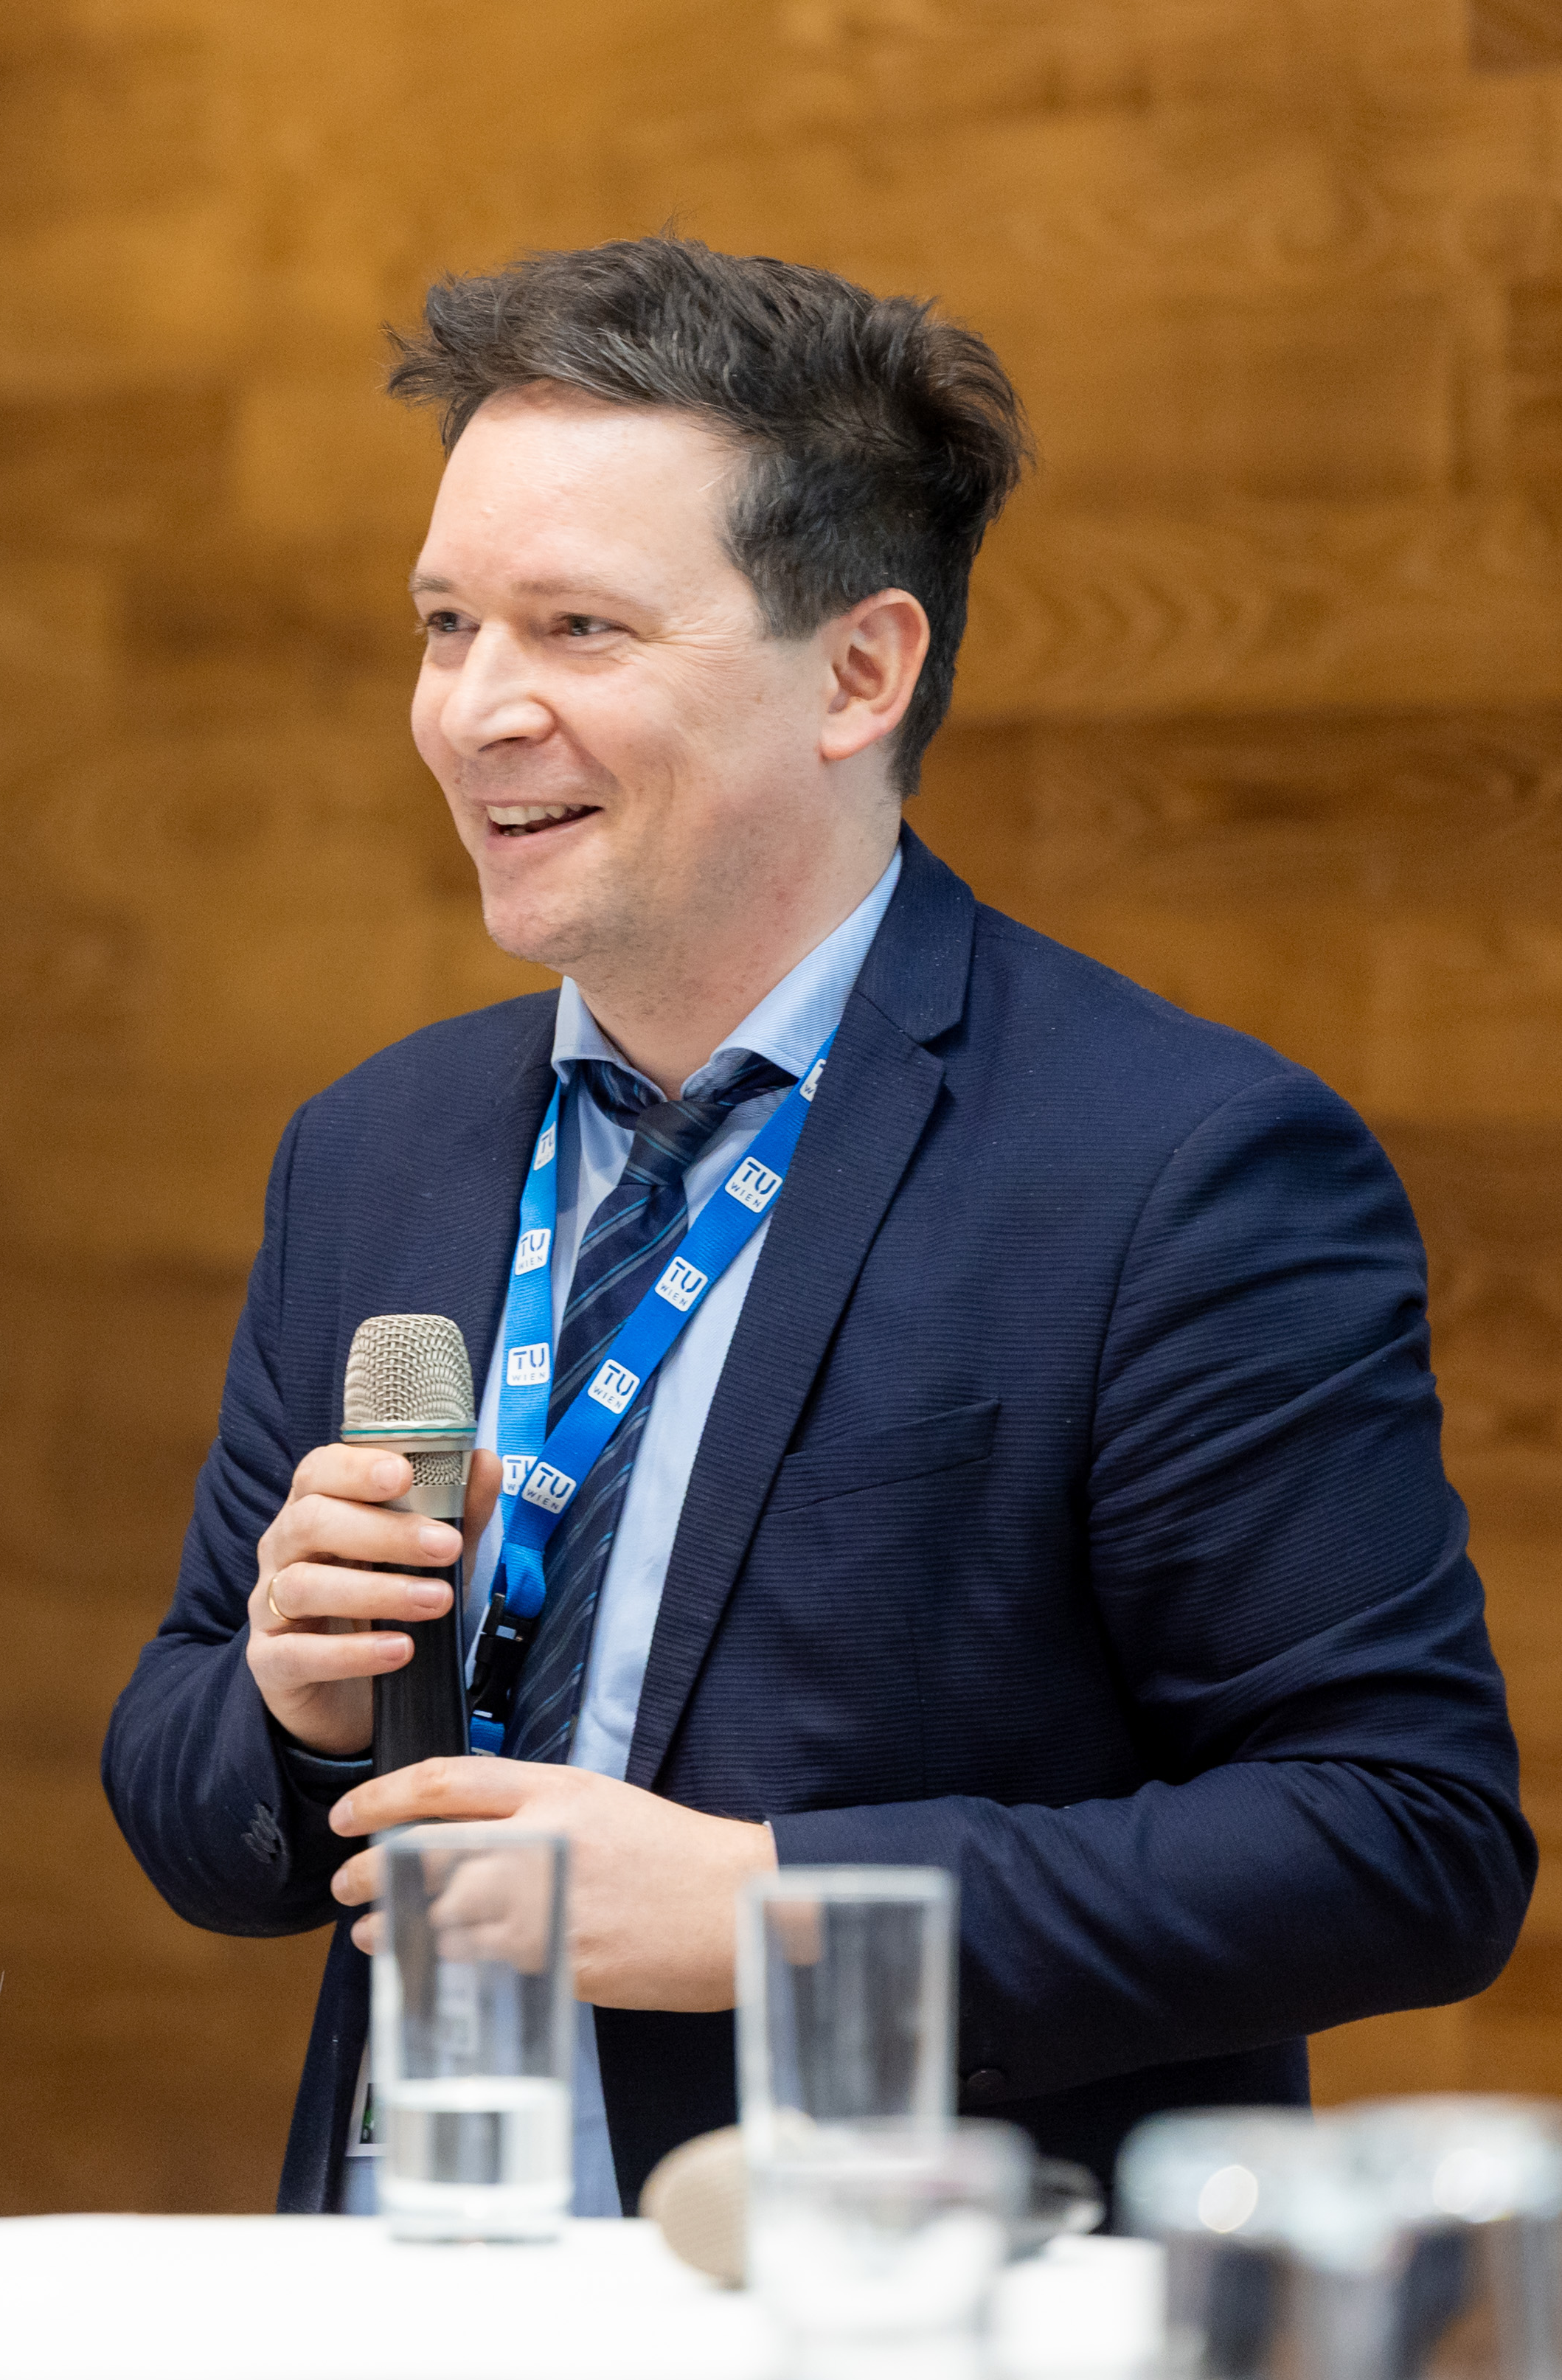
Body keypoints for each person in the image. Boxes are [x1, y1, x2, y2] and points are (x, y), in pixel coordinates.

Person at [103, 237, 1533, 2218]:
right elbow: (194, 1801)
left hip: (879, 2324)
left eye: (579, 628)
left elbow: (1400, 1842)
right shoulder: (374, 1149)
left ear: (859, 672)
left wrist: (776, 1909)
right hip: (410, 2287)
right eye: (445, 625)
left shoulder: (1172, 1168)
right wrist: (288, 1710)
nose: (474, 711)